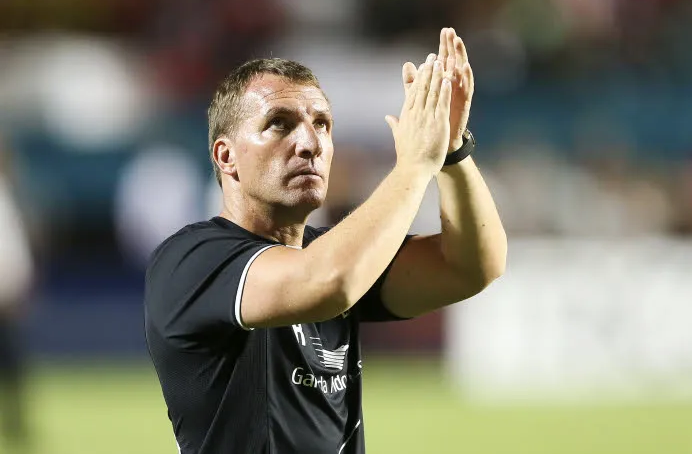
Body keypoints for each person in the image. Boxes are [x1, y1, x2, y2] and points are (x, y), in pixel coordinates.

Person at [145, 28, 506, 454]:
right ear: (227, 157)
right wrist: (412, 166)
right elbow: (329, 281)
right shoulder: (192, 260)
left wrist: (452, 152)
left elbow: (470, 267)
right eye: (279, 124)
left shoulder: (332, 251)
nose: (309, 143)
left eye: (321, 124)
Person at [0, 142, 34, 454]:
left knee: (13, 367)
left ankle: (15, 424)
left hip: (7, 300)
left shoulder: (8, 195)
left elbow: (15, 252)